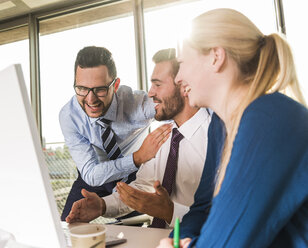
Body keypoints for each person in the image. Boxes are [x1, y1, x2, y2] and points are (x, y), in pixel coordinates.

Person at [158, 8, 308, 248]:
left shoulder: (270, 119)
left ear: (216, 57)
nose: (178, 78)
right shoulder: (219, 126)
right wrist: (179, 242)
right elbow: (204, 208)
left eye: (182, 63)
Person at [66, 48, 211, 227]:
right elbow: (141, 187)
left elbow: (227, 217)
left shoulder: (215, 139)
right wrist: (102, 205)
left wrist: (170, 211)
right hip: (157, 237)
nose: (149, 93)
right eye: (82, 88)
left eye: (157, 85)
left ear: (185, 85)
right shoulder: (162, 137)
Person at [59, 46, 172, 220]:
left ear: (116, 85)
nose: (91, 99)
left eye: (100, 89)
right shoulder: (70, 116)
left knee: (135, 231)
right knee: (68, 223)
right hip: (94, 171)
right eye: (82, 88)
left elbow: (174, 108)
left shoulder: (136, 104)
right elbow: (91, 175)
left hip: (132, 175)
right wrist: (138, 157)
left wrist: (162, 148)